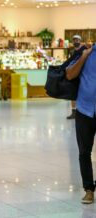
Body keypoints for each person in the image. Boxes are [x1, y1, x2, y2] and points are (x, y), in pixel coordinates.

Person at [66, 44, 95, 204]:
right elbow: (70, 74)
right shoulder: (84, 53)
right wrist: (83, 57)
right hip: (85, 110)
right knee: (84, 152)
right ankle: (88, 189)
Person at [65, 35, 86, 119]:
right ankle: (74, 112)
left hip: (82, 73)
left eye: (77, 40)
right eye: (74, 40)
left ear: (80, 41)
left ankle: (82, 112)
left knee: (82, 92)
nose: (76, 41)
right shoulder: (71, 51)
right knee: (73, 93)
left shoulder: (84, 50)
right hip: (73, 73)